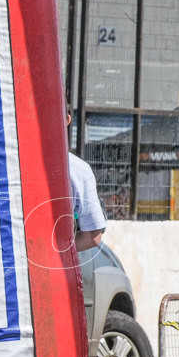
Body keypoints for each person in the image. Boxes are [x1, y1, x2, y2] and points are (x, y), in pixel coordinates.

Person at [67, 107, 107, 252]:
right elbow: (92, 237)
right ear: (66, 120)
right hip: (49, 268)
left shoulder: (2, 163)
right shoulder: (78, 170)